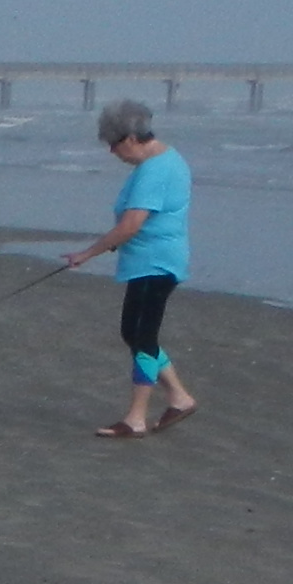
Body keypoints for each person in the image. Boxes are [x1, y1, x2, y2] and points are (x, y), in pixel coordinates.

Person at [59, 102, 198, 436]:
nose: (112, 151)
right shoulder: (158, 162)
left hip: (157, 262)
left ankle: (136, 418)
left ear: (132, 138)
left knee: (144, 337)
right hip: (144, 262)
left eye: (114, 144)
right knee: (131, 333)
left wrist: (88, 253)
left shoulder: (157, 169)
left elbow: (132, 223)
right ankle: (179, 397)